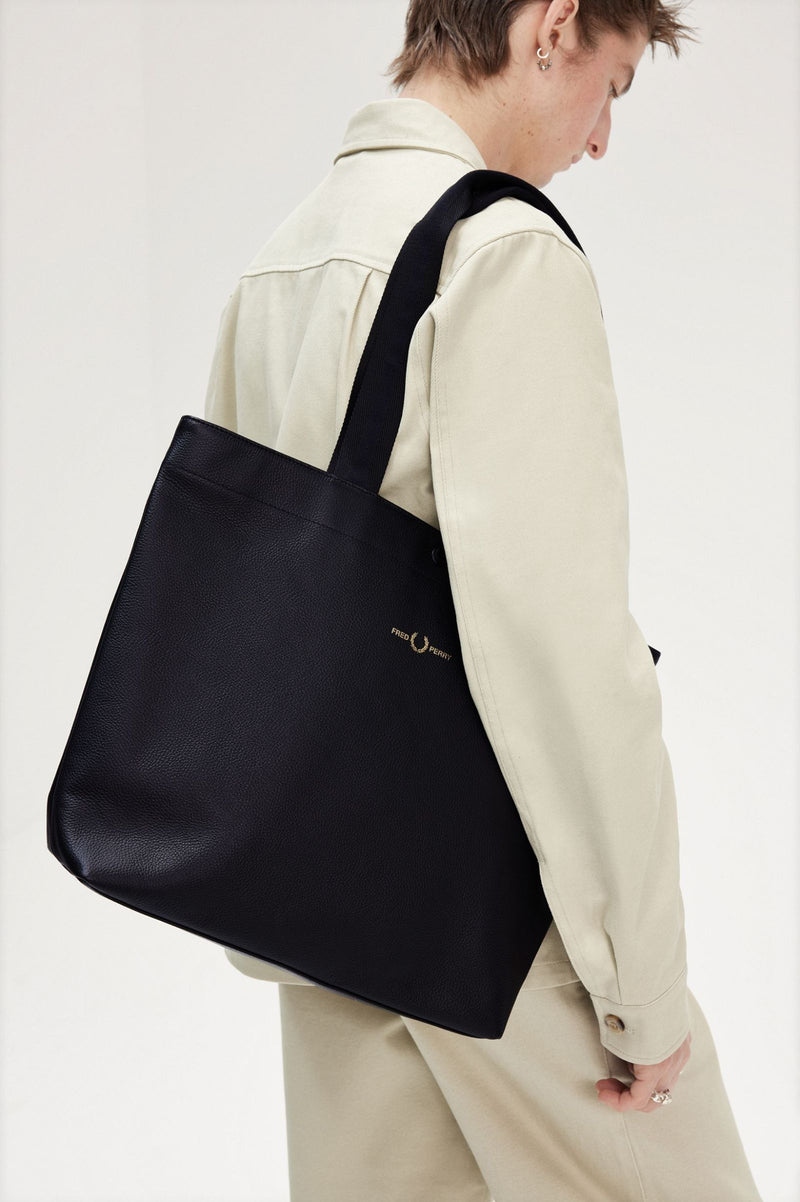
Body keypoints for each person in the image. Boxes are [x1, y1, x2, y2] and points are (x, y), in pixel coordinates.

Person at [203, 1, 764, 1197]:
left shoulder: (287, 252)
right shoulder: (498, 251)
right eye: (613, 84)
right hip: (500, 924)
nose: (600, 136)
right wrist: (641, 985)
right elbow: (557, 652)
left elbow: (240, 607)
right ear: (551, 24)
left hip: (318, 908)